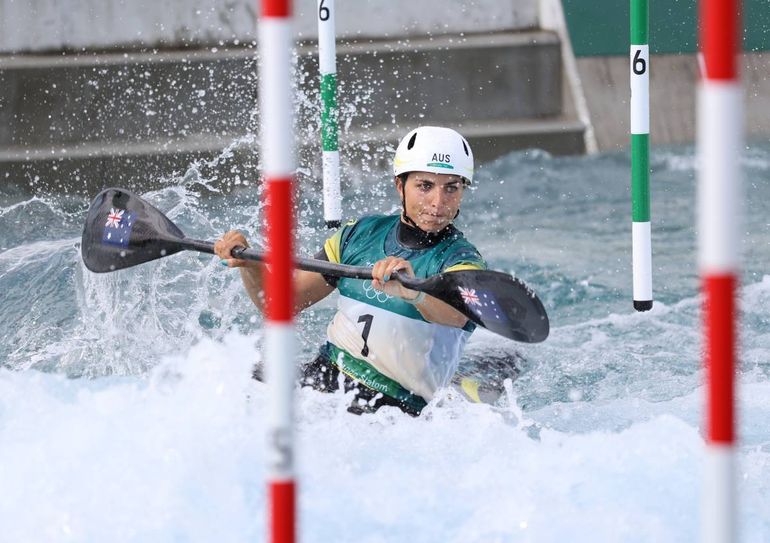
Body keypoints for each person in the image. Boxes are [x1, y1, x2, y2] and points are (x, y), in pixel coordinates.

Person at [215, 126, 486, 416]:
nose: (438, 202)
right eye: (424, 186)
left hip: (395, 407)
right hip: (325, 375)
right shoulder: (359, 235)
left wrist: (414, 293)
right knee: (225, 379)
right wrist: (251, 265)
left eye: (451, 188)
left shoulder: (462, 259)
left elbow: (457, 313)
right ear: (400, 185)